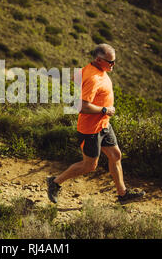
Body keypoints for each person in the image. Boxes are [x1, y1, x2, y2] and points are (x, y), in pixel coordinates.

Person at [47, 43, 145, 204]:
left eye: (114, 61)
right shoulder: (93, 78)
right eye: (110, 62)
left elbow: (74, 78)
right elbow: (83, 106)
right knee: (89, 166)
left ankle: (123, 194)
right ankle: (55, 182)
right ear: (99, 60)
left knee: (115, 155)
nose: (113, 65)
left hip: (104, 125)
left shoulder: (93, 69)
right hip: (90, 129)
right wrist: (105, 110)